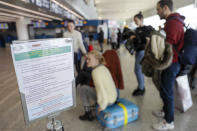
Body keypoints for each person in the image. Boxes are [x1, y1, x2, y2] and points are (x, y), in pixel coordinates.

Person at [152, 0, 184, 130]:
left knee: (167, 92)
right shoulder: (174, 22)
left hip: (172, 63)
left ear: (165, 8)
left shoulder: (173, 24)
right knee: (165, 89)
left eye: (158, 9)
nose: (157, 12)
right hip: (172, 62)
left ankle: (169, 122)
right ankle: (165, 111)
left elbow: (168, 45)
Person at [78, 50, 117, 121]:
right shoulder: (103, 67)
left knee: (83, 89)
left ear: (97, 60)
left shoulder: (95, 72)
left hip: (108, 101)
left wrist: (102, 106)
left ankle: (88, 113)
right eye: (87, 59)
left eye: (89, 59)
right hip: (113, 98)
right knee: (88, 87)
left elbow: (101, 91)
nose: (86, 61)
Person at [130, 12, 147, 96]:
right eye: (134, 21)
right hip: (137, 51)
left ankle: (141, 88)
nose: (135, 22)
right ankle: (141, 86)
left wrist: (136, 37)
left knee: (137, 70)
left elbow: (146, 40)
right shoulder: (136, 29)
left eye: (136, 20)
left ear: (141, 19)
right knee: (139, 70)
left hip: (142, 51)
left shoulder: (146, 29)